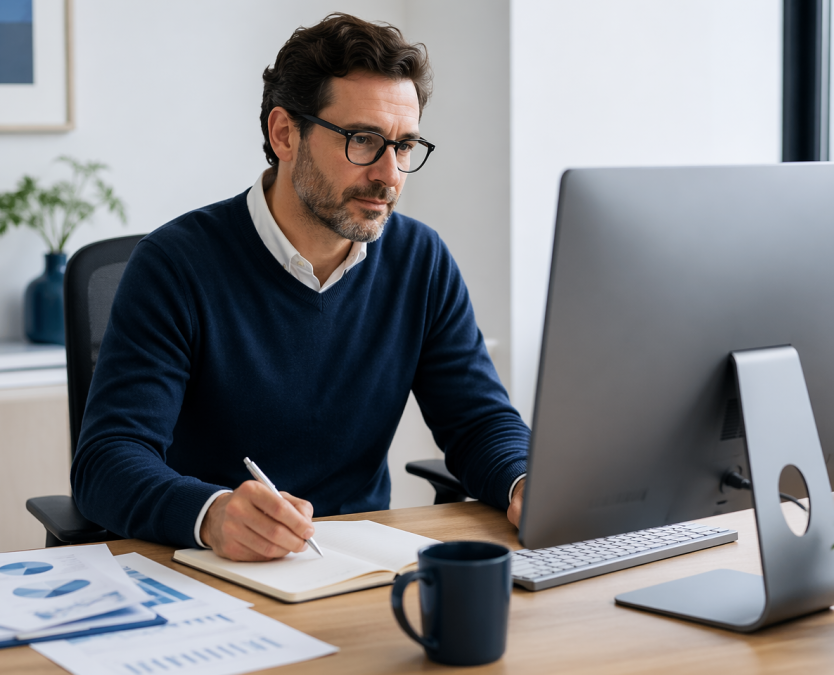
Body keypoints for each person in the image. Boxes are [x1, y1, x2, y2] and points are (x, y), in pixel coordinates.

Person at [71, 13, 530, 562]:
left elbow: (479, 421)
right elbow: (108, 460)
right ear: (285, 134)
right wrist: (212, 515)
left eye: (404, 146)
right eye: (363, 141)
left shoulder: (419, 260)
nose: (390, 175)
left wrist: (525, 483)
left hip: (360, 567)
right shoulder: (176, 264)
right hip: (210, 570)